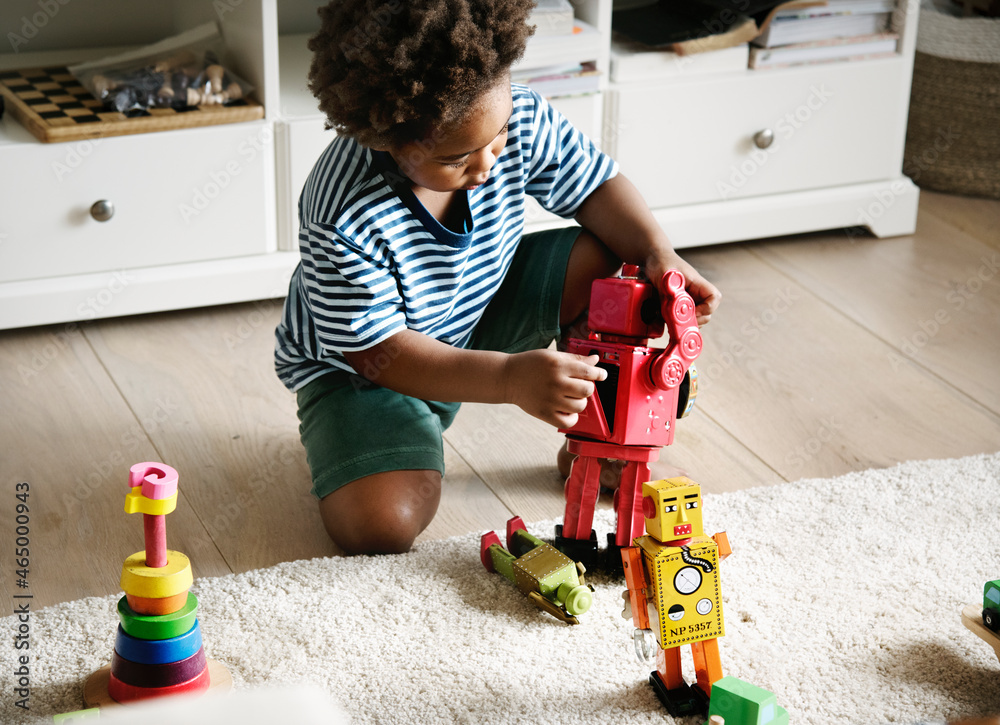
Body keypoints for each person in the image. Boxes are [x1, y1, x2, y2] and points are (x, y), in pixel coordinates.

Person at [274, 0, 722, 555]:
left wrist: (659, 254)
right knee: (380, 526)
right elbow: (378, 353)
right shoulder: (343, 215)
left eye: (500, 135)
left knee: (609, 253)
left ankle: (597, 436)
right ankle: (372, 438)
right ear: (388, 139)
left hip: (472, 312)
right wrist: (510, 379)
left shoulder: (513, 117)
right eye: (458, 158)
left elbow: (596, 188)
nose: (487, 164)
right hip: (367, 374)